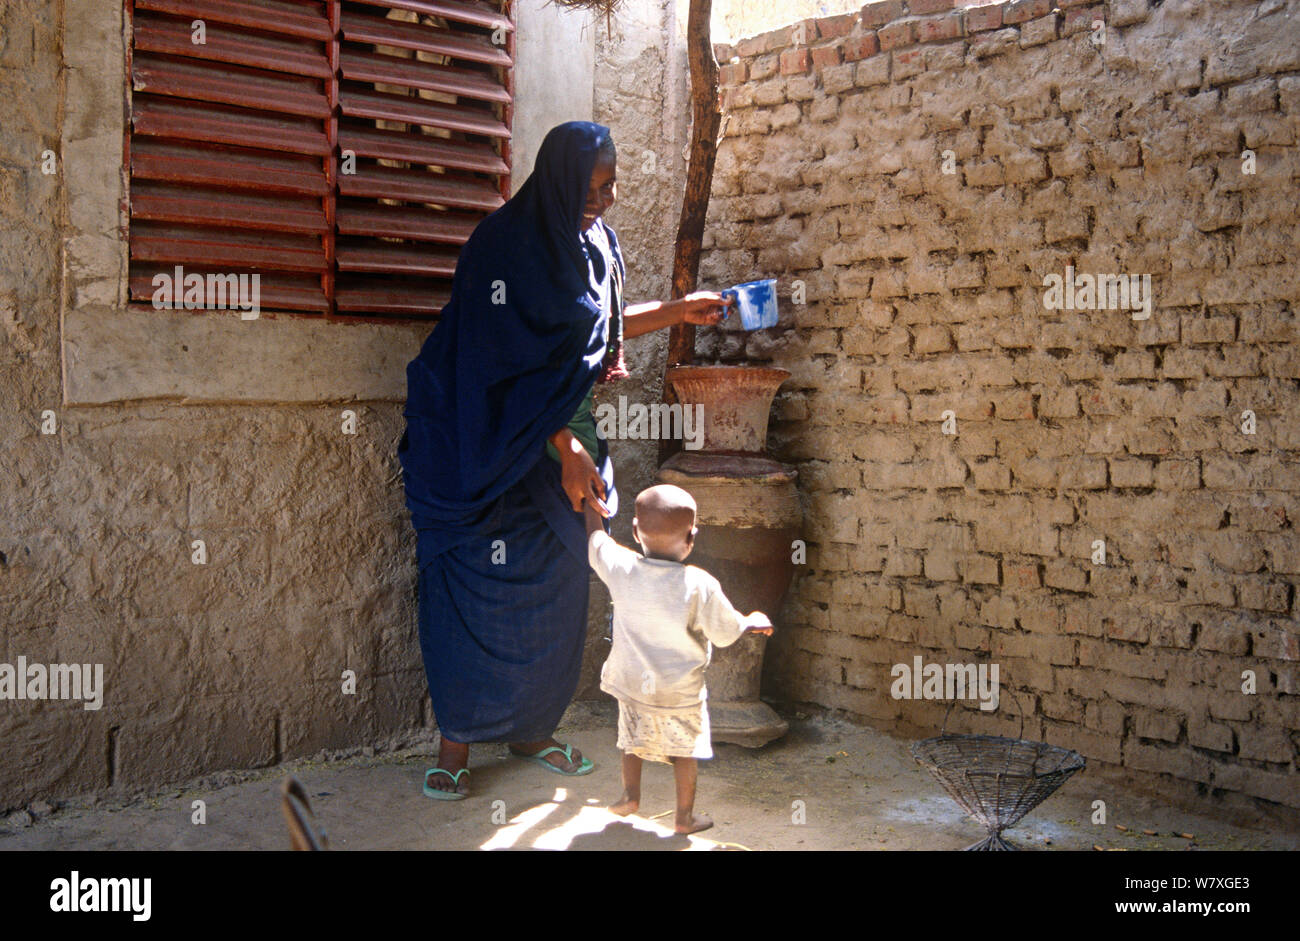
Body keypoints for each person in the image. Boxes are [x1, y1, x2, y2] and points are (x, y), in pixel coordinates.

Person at [398, 121, 732, 799]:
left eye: (611, 186)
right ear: (559, 180)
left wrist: (678, 312)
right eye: (595, 187)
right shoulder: (502, 247)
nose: (606, 200)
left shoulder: (596, 246)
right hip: (479, 439)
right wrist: (564, 444)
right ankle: (455, 743)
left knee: (561, 576)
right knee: (470, 584)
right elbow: (492, 366)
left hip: (561, 435)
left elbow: (600, 329)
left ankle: (530, 728)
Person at [583, 484, 773, 834]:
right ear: (692, 536)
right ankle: (684, 817)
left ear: (636, 530)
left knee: (631, 739)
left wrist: (589, 503)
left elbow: (597, 540)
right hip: (679, 692)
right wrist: (752, 621)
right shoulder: (700, 584)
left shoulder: (622, 568)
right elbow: (726, 630)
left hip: (633, 685)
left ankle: (629, 795)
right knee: (685, 752)